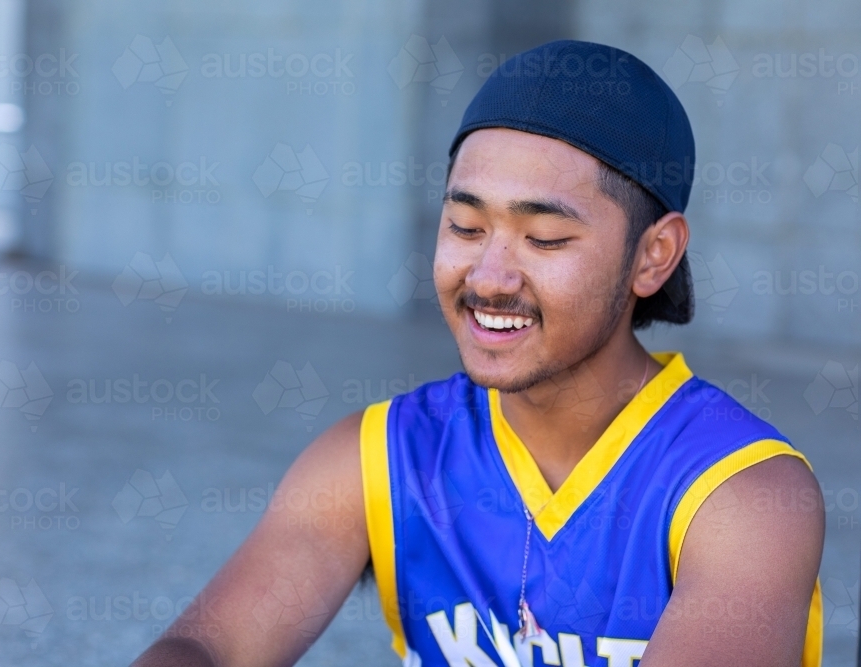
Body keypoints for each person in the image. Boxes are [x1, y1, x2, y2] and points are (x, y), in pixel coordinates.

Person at [132, 40, 823, 667]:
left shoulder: (739, 495)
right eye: (465, 226)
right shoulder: (378, 457)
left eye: (544, 238)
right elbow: (207, 645)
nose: (488, 276)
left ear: (654, 255)